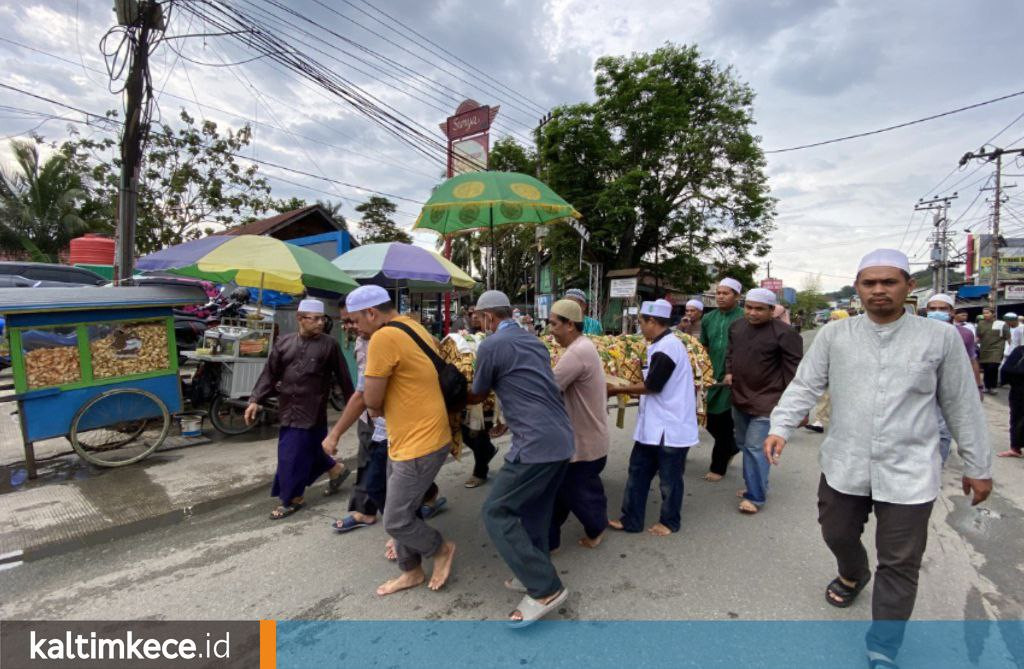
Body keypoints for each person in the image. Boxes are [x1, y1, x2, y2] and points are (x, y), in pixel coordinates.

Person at [765, 249, 992, 668]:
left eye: (889, 282)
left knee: (900, 562)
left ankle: (883, 647)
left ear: (908, 288)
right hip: (844, 462)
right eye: (870, 283)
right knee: (836, 532)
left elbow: (962, 405)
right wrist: (780, 425)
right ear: (858, 289)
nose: (879, 290)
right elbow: (805, 384)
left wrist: (979, 467)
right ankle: (853, 571)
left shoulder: (938, 338)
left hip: (909, 470)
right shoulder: (836, 336)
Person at [468, 290, 574, 626]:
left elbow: (479, 392)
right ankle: (533, 569)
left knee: (496, 511)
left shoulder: (491, 345)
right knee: (536, 509)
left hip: (535, 444)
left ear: (487, 317)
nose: (478, 322)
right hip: (560, 437)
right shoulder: (533, 340)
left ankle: (545, 588)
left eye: (477, 317)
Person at [350, 285, 456, 596]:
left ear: (372, 313)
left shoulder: (383, 337)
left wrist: (377, 403)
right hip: (409, 436)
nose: (355, 328)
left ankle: (440, 550)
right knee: (399, 510)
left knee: (395, 519)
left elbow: (371, 398)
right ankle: (411, 571)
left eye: (356, 321)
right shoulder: (413, 326)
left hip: (420, 441)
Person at [246, 299, 355, 520]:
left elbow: (344, 378)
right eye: (313, 319)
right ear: (300, 318)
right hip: (287, 409)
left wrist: (355, 406)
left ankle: (293, 499)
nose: (319, 324)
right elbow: (270, 373)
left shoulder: (329, 345)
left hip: (313, 411)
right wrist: (255, 399)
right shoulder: (283, 343)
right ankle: (336, 470)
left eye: (322, 319)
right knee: (308, 452)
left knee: (291, 456)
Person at [608, 299, 699, 536]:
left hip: (670, 427)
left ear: (652, 321)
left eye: (641, 322)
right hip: (653, 426)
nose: (640, 328)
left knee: (669, 480)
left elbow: (653, 386)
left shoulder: (668, 348)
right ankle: (631, 519)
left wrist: (617, 389)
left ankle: (670, 522)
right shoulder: (659, 345)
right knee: (638, 471)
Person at [725, 288, 802, 514]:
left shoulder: (785, 334)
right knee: (742, 443)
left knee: (755, 448)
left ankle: (756, 496)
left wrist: (797, 408)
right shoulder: (737, 327)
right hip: (739, 397)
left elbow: (794, 371)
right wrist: (729, 371)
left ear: (772, 310)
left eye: (759, 309)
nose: (753, 313)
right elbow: (731, 353)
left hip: (768, 401)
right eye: (749, 307)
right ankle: (758, 482)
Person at [546, 299, 609, 550]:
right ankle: (548, 540)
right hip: (584, 437)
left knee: (580, 493)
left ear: (570, 325)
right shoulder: (582, 346)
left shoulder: (577, 352)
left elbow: (549, 387)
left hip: (584, 442)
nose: (549, 330)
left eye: (553, 324)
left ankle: (596, 528)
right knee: (560, 492)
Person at [925, 294, 983, 465]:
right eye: (933, 309)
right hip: (924, 387)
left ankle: (937, 468)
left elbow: (972, 360)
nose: (937, 312)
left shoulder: (964, 334)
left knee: (943, 431)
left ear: (951, 312)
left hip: (951, 388)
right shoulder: (918, 332)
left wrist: (978, 386)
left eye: (942, 309)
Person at [700, 277, 745, 482]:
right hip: (711, 375)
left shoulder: (745, 318)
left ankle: (718, 467)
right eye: (718, 293)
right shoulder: (708, 319)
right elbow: (704, 347)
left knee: (724, 420)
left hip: (734, 376)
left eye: (725, 293)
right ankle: (732, 447)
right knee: (708, 418)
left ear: (737, 296)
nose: (720, 296)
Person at [999, 344, 1024, 458]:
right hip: (1019, 390)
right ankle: (1015, 447)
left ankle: (1015, 448)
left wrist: (1009, 382)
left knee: (1017, 419)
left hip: (1019, 390)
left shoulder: (1020, 350)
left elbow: (1006, 370)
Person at [977, 307, 1009, 394]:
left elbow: (1008, 337)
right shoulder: (981, 324)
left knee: (993, 367)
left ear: (993, 314)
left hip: (996, 349)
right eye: (984, 313)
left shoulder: (1001, 324)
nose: (985, 315)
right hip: (984, 349)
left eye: (987, 313)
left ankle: (993, 386)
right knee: (986, 368)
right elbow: (978, 336)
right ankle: (987, 386)